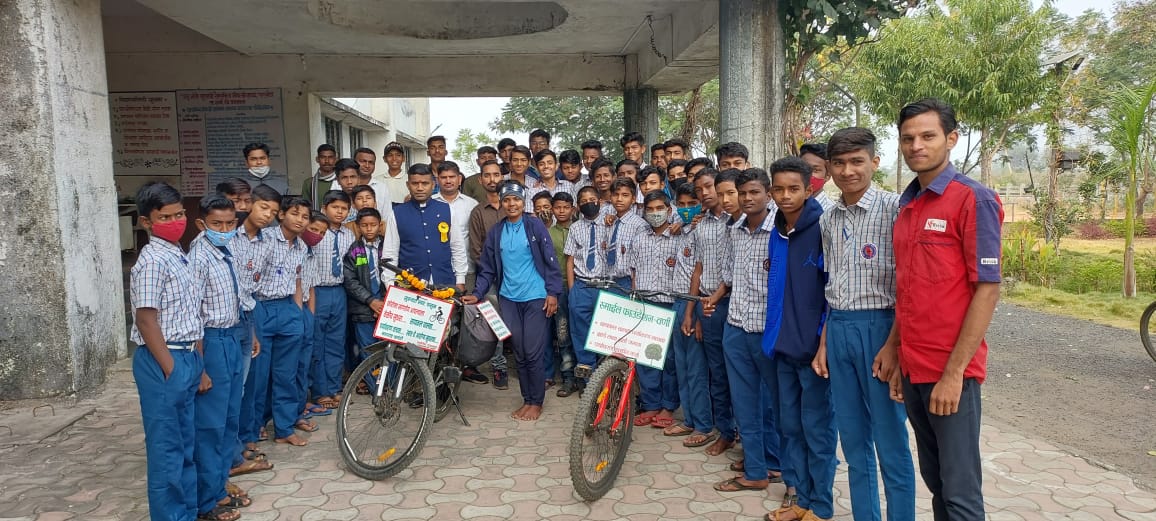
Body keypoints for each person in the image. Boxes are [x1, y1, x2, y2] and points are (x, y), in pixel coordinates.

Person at [891, 99, 1002, 521]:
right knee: (936, 481)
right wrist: (896, 352)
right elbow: (909, 289)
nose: (916, 145)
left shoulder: (973, 199)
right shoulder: (908, 205)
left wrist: (954, 374)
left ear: (951, 139)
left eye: (928, 136)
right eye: (908, 138)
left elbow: (987, 289)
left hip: (951, 372)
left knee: (960, 493)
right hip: (914, 367)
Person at [812, 127, 915, 521]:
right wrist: (825, 342)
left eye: (857, 161)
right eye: (839, 163)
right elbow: (832, 284)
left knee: (890, 442)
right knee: (853, 442)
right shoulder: (828, 217)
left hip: (881, 329)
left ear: (874, 162)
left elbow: (909, 285)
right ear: (829, 168)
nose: (848, 171)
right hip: (839, 329)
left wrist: (895, 345)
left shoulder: (896, 210)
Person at [761, 157, 837, 521]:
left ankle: (821, 506)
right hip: (781, 347)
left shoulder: (823, 228)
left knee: (817, 432)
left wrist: (823, 343)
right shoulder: (776, 231)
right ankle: (801, 499)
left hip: (814, 352)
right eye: (778, 189)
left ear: (809, 189)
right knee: (790, 428)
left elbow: (832, 292)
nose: (786, 196)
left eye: (794, 189)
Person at [703, 168, 783, 494]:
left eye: (754, 192)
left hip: (768, 330)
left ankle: (776, 463)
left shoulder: (782, 229)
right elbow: (729, 276)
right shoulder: (734, 230)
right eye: (743, 192)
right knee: (745, 402)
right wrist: (715, 296)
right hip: (736, 326)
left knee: (775, 404)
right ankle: (756, 469)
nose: (747, 198)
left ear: (768, 193)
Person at [129, 182, 205, 521]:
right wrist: (171, 368)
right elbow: (146, 320)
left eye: (179, 214)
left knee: (186, 445)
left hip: (186, 356)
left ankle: (187, 512)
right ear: (147, 221)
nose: (176, 222)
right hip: (164, 359)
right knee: (167, 451)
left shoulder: (177, 253)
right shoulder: (152, 261)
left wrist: (194, 361)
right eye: (165, 217)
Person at [464, 181, 563, 421]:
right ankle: (526, 399)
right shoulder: (496, 232)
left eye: (516, 199)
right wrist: (477, 293)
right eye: (507, 199)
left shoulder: (534, 225)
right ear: (501, 202)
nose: (511, 204)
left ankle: (536, 402)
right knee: (519, 351)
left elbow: (550, 261)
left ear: (523, 201)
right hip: (509, 298)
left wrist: (552, 292)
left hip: (536, 297)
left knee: (533, 351)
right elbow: (487, 268)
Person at [189, 194, 249, 521]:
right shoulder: (199, 257)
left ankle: (220, 484)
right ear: (202, 224)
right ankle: (206, 500)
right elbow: (194, 315)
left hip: (232, 336)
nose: (224, 230)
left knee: (229, 418)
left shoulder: (229, 249)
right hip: (210, 342)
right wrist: (200, 368)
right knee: (211, 424)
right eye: (217, 224)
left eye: (229, 223)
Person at [253, 195, 311, 447]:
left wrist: (297, 312)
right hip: (261, 307)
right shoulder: (264, 239)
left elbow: (297, 281)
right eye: (295, 214)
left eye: (305, 217)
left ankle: (284, 427)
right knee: (259, 374)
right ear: (282, 214)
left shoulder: (301, 247)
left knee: (287, 374)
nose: (300, 220)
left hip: (288, 308)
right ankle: (255, 425)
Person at [232, 184, 279, 477]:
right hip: (225, 317)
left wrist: (253, 331)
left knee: (250, 382)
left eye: (273, 212)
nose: (267, 215)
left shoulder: (266, 241)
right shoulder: (229, 234)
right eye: (264, 208)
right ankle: (231, 451)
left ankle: (245, 439)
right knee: (231, 388)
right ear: (250, 204)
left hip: (250, 313)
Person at [690, 168, 737, 457]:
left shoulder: (738, 221)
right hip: (708, 306)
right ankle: (726, 432)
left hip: (734, 303)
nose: (705, 193)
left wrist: (717, 297)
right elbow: (698, 269)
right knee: (717, 373)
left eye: (709, 187)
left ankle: (745, 432)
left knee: (740, 374)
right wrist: (694, 309)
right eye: (699, 189)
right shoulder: (702, 225)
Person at [626, 191, 682, 429]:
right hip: (645, 303)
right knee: (647, 357)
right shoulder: (640, 239)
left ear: (669, 210)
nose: (655, 213)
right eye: (650, 209)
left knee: (669, 359)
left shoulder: (679, 237)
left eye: (660, 208)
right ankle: (651, 404)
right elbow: (633, 272)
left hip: (670, 304)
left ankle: (668, 406)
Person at [667, 183, 715, 448]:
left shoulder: (703, 231)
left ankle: (704, 424)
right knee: (682, 366)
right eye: (681, 205)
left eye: (692, 204)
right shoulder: (679, 230)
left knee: (697, 370)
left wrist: (694, 313)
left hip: (694, 303)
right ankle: (688, 419)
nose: (686, 209)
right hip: (677, 301)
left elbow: (700, 272)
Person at [432, 160, 484, 384]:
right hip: (439, 272)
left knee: (466, 320)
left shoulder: (472, 205)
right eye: (443, 177)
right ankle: (437, 367)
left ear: (460, 179)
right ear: (437, 180)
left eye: (452, 177)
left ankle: (466, 366)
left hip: (467, 270)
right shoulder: (430, 204)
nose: (448, 181)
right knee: (440, 319)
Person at [306, 191, 354, 410]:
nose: (340, 212)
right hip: (317, 291)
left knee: (336, 342)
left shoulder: (348, 235)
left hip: (339, 291)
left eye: (344, 209)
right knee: (317, 342)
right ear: (324, 208)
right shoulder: (316, 231)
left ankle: (334, 388)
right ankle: (320, 391)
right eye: (335, 207)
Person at [466, 160, 511, 389]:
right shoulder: (477, 212)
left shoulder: (513, 205)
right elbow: (476, 250)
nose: (492, 179)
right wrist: (493, 271)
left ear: (502, 177)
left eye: (496, 174)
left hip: (517, 277)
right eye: (487, 175)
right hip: (490, 278)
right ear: (481, 180)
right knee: (495, 323)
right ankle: (499, 366)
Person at [387, 163, 467, 290]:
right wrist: (389, 285)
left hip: (445, 282)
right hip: (409, 285)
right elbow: (390, 253)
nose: (420, 188)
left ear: (433, 185)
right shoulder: (397, 213)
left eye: (425, 183)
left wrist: (460, 280)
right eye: (415, 183)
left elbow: (457, 247)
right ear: (408, 185)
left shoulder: (447, 210)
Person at [564, 185, 607, 389]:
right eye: (583, 201)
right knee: (581, 334)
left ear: (599, 201)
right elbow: (570, 260)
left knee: (604, 334)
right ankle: (588, 383)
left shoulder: (610, 223)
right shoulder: (575, 228)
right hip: (581, 286)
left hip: (605, 286)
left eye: (592, 199)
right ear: (578, 206)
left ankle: (605, 381)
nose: (588, 203)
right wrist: (572, 289)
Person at [343, 208, 387, 353]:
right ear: (358, 226)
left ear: (380, 225)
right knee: (367, 350)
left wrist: (383, 302)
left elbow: (397, 276)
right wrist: (370, 301)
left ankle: (389, 372)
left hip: (387, 306)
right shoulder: (354, 250)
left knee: (389, 351)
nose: (369, 229)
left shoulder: (387, 247)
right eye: (364, 225)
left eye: (373, 225)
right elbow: (350, 280)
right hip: (363, 308)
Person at [547, 192, 578, 396]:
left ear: (573, 209)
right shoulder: (548, 234)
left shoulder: (580, 230)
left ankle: (585, 378)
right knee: (563, 333)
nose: (561, 211)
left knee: (580, 333)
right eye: (557, 207)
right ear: (552, 209)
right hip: (558, 289)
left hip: (580, 288)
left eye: (566, 207)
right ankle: (568, 378)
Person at [800, 143, 836, 211]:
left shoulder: (831, 211)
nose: (807, 173)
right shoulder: (781, 205)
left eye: (815, 170)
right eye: (803, 167)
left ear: (827, 176)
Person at [301, 144, 338, 209]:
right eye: (323, 157)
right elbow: (305, 208)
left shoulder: (342, 180)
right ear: (317, 159)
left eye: (330, 157)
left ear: (335, 159)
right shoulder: (309, 183)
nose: (327, 161)